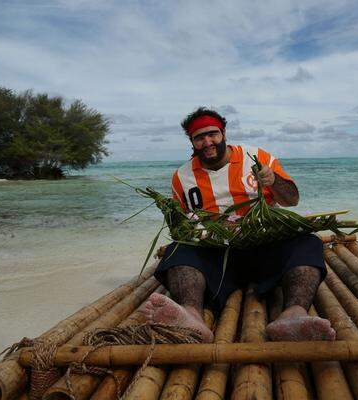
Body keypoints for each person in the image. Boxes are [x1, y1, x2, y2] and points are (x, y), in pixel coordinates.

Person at [139, 107, 336, 343]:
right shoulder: (182, 177)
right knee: (177, 251)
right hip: (217, 255)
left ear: (223, 133)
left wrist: (273, 180)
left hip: (265, 248)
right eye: (199, 137)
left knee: (308, 244)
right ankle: (191, 314)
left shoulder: (257, 158)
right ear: (192, 142)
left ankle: (294, 314)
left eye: (212, 134)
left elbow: (291, 200)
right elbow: (180, 225)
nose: (207, 142)